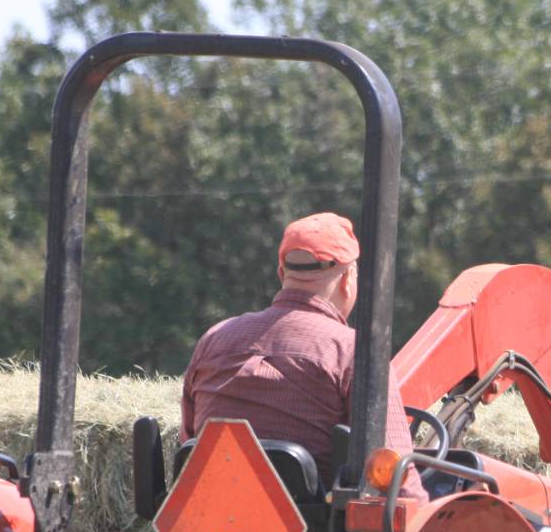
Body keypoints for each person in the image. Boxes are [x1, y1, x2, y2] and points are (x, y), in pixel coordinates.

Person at [181, 211, 427, 501]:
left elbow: (189, 443)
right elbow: (397, 483)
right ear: (348, 279)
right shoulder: (354, 352)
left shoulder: (213, 340)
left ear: (283, 274)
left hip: (210, 530)